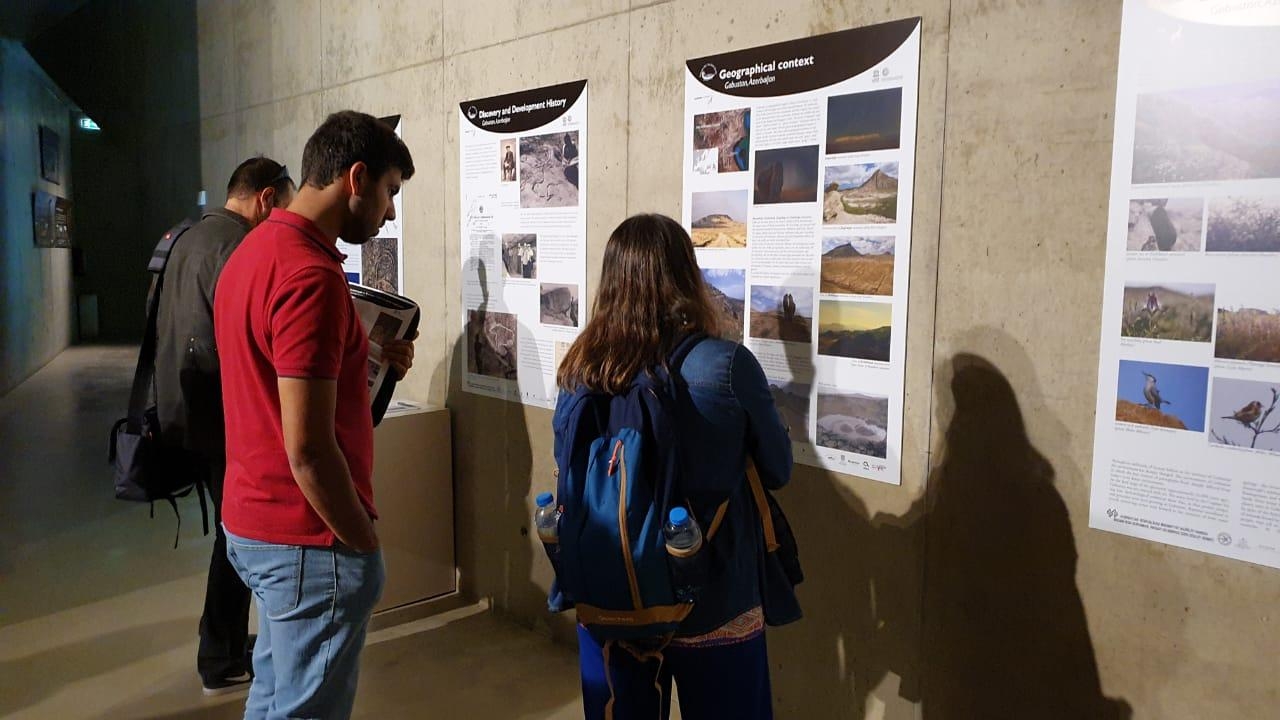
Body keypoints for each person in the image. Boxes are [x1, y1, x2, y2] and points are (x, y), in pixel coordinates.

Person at [214, 111, 416, 719]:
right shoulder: (310, 277)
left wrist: (368, 360)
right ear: (357, 178)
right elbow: (307, 448)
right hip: (307, 538)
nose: (390, 212)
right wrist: (361, 542)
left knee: (275, 698)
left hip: (254, 520)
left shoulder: (254, 254)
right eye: (389, 193)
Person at [554, 214, 795, 719]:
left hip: (610, 591)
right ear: (687, 275)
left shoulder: (579, 369)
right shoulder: (725, 366)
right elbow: (778, 470)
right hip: (716, 594)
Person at [152, 155, 295, 695]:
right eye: (281, 206)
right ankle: (221, 654)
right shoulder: (241, 246)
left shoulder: (186, 237)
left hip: (185, 408)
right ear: (264, 199)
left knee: (233, 536)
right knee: (239, 537)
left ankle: (226, 649)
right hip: (221, 414)